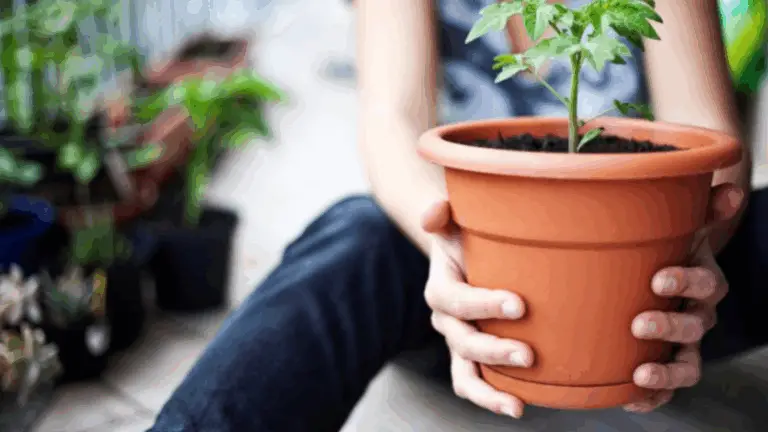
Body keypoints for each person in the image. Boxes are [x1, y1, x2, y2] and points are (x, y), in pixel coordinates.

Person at [147, 0, 763, 430]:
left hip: (652, 291)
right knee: (357, 234)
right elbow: (392, 119)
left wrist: (692, 243)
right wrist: (452, 248)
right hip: (473, 299)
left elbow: (709, 139)